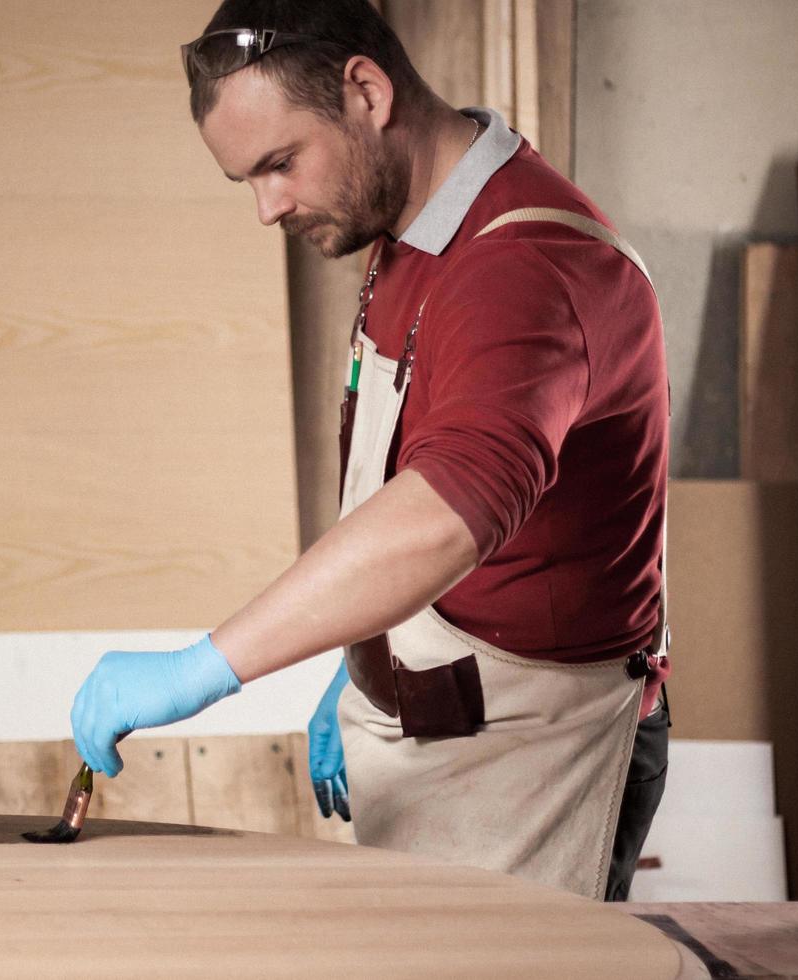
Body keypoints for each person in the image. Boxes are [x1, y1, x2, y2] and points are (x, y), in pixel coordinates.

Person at [69, 0, 671, 902]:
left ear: (366, 91)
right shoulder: (410, 229)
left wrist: (206, 668)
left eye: (279, 164)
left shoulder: (528, 267)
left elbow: (447, 509)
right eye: (247, 181)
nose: (268, 208)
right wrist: (372, 656)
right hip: (436, 720)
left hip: (534, 758)